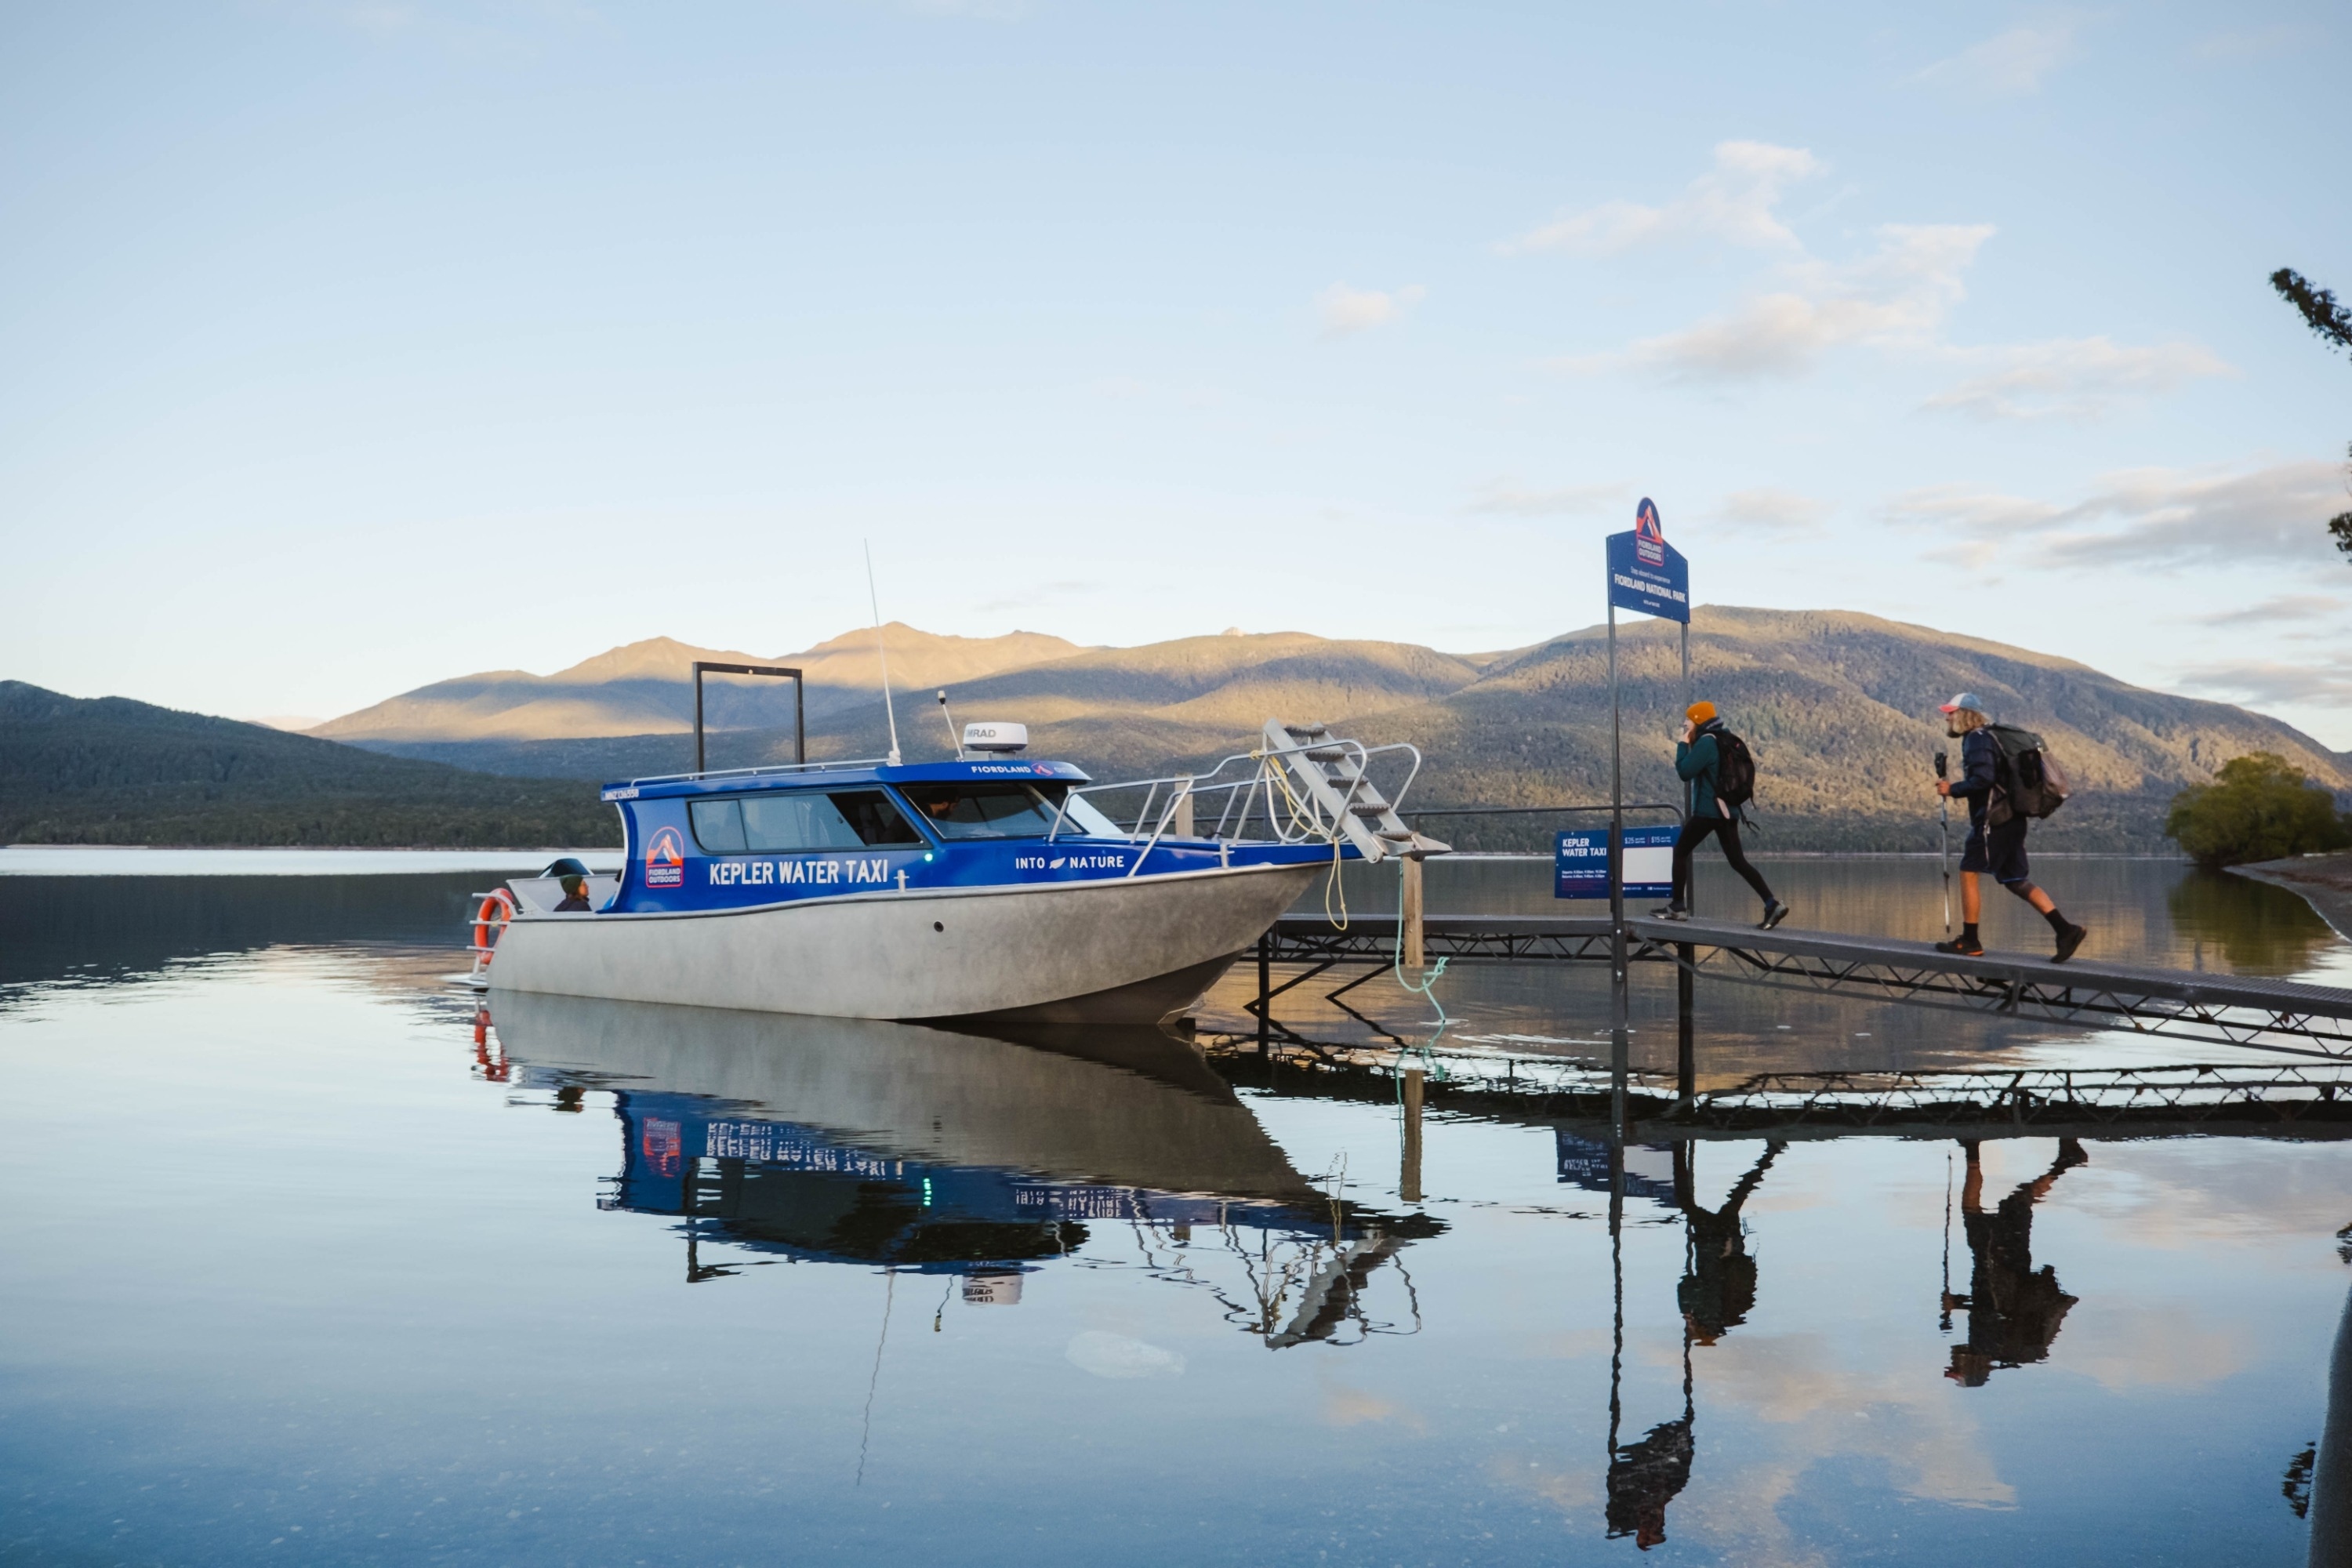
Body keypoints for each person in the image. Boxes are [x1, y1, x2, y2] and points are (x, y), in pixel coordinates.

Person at [1933, 693, 2086, 961]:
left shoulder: (1976, 740)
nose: (1947, 717)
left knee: (1968, 873)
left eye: (1951, 712)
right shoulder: (1991, 737)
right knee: (2015, 880)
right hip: (2013, 819)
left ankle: (1970, 941)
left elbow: (1984, 778)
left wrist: (1952, 789)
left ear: (1965, 714)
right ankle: (2066, 930)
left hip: (1993, 821)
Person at [1654, 702, 1788, 929]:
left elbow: (1685, 772)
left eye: (1688, 720)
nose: (1685, 724)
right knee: (1737, 861)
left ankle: (1677, 907)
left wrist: (1682, 744)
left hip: (1709, 812)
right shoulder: (1723, 739)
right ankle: (1771, 904)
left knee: (1680, 852)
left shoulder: (1707, 743)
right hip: (1728, 811)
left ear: (1697, 721)